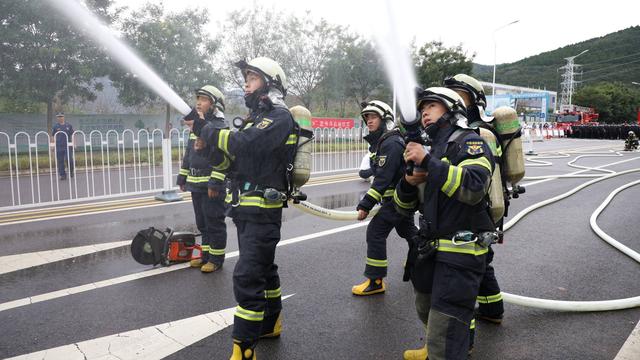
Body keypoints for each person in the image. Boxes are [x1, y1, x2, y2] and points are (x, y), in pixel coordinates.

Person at [185, 57, 295, 360]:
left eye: (252, 77)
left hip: (263, 211)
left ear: (270, 83)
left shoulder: (279, 117)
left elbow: (240, 143)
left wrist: (205, 129)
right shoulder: (256, 118)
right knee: (264, 268)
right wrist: (207, 145)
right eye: (246, 77)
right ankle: (272, 322)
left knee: (247, 275)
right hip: (246, 209)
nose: (245, 82)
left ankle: (244, 349)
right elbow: (230, 160)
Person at [394, 87, 495, 360]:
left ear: (451, 110)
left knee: (446, 333)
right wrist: (407, 183)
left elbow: (474, 187)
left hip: (459, 251)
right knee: (424, 309)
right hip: (430, 250)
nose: (424, 112)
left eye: (432, 106)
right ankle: (435, 347)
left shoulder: (469, 142)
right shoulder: (431, 150)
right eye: (422, 107)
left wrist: (429, 163)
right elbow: (403, 207)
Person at [444, 74, 505, 326]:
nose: (456, 100)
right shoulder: (458, 131)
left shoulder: (477, 133)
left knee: (466, 267)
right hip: (484, 205)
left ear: (475, 101)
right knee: (482, 260)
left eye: (461, 94)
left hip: (478, 206)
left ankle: (462, 335)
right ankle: (492, 309)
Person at [352, 100, 418, 296]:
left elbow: (382, 179)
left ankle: (376, 280)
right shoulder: (385, 142)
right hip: (400, 198)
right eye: (367, 118)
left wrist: (365, 204)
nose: (369, 121)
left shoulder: (391, 142)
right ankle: (421, 258)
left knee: (375, 232)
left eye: (373, 117)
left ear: (385, 119)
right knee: (408, 231)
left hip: (397, 200)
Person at [177, 85, 229, 273]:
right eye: (198, 98)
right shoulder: (197, 126)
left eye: (204, 99)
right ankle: (205, 255)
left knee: (214, 221)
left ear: (214, 105)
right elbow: (189, 153)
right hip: (196, 185)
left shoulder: (218, 127)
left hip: (211, 185)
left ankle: (216, 259)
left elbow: (224, 157)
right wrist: (183, 177)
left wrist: (215, 182)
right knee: (202, 222)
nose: (198, 102)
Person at [52, 112, 74, 180]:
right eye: (59, 117)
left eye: (61, 116)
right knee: (60, 161)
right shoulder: (55, 126)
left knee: (69, 159)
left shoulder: (68, 125)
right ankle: (62, 175)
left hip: (67, 145)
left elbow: (73, 134)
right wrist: (52, 145)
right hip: (59, 146)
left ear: (64, 117)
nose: (60, 118)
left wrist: (74, 143)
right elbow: (53, 136)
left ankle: (71, 171)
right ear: (57, 118)